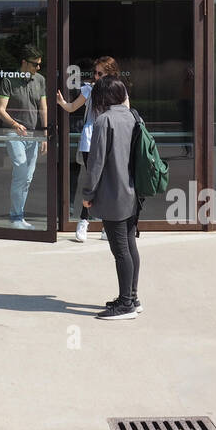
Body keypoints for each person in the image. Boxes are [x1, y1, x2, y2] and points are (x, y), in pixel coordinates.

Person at [80, 75, 141, 319]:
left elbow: (95, 163)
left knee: (120, 251)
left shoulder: (105, 120)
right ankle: (132, 297)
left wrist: (88, 194)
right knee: (130, 245)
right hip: (132, 191)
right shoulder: (134, 116)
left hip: (113, 194)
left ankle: (125, 305)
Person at [57, 55, 120, 242]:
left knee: (106, 182)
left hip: (109, 139)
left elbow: (125, 113)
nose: (96, 76)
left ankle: (105, 225)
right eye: (95, 72)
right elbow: (72, 107)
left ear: (110, 74)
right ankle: (83, 221)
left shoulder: (118, 91)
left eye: (100, 73)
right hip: (90, 139)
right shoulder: (89, 89)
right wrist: (61, 103)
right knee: (92, 181)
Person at [0, 44, 47, 230]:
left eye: (40, 64)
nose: (38, 68)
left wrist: (46, 132)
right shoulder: (9, 80)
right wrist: (15, 124)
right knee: (21, 171)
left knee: (27, 177)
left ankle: (18, 215)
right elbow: (0, 110)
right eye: (35, 64)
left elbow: (43, 108)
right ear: (24, 63)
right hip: (14, 132)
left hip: (33, 133)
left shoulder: (40, 80)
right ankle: (16, 217)